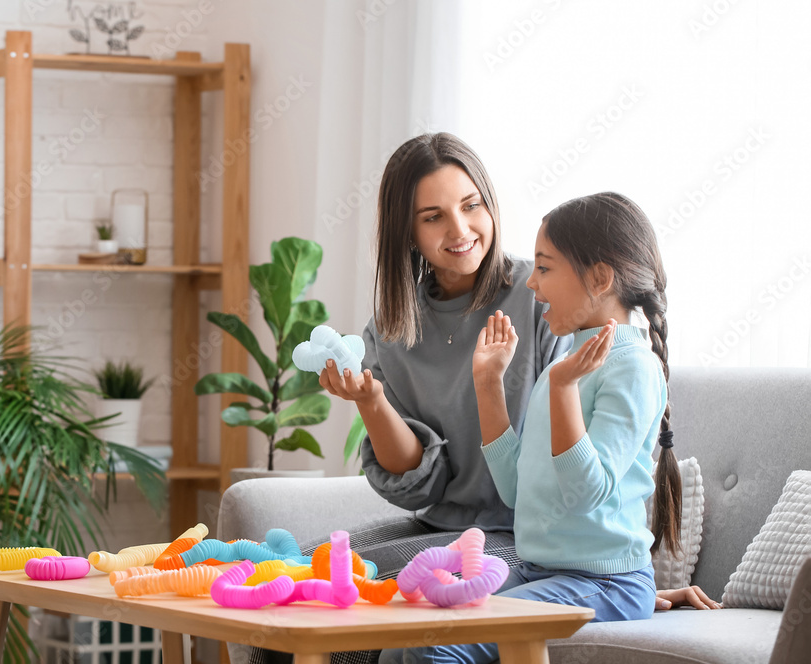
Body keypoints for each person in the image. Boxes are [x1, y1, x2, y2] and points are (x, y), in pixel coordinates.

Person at [248, 136, 716, 664]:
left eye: (471, 206)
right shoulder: (394, 325)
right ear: (407, 230)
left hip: (513, 538)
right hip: (458, 529)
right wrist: (372, 401)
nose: (460, 229)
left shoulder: (554, 308)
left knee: (361, 622)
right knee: (283, 594)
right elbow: (439, 480)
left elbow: (585, 490)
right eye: (433, 216)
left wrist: (618, 584)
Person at [379, 191, 689, 664]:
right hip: (541, 570)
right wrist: (488, 385)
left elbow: (589, 491)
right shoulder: (564, 368)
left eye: (545, 268)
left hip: (606, 584)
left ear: (600, 277)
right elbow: (515, 492)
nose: (531, 284)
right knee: (409, 629)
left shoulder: (632, 369)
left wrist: (565, 391)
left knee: (437, 646)